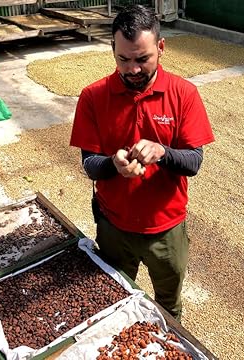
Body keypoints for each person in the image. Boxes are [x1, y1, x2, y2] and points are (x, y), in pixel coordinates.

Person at [70, 4, 214, 321]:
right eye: (123, 59)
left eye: (142, 59)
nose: (133, 69)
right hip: (113, 226)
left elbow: (193, 162)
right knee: (115, 299)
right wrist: (114, 164)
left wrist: (163, 152)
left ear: (160, 48)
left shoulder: (184, 93)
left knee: (169, 305)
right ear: (112, 50)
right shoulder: (93, 96)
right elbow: (90, 163)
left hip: (167, 230)